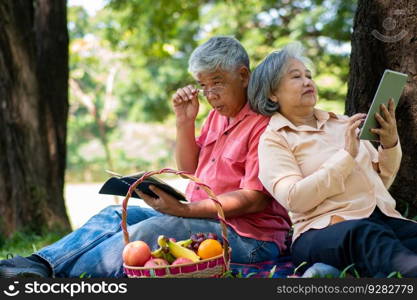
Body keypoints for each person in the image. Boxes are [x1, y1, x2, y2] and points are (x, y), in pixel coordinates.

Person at [0, 36, 291, 278]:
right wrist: (184, 122)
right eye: (203, 86)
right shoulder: (218, 117)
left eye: (217, 82)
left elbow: (255, 198)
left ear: (243, 75)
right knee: (114, 216)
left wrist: (183, 210)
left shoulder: (264, 124)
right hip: (207, 220)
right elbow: (189, 168)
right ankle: (38, 264)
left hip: (251, 239)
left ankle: (56, 280)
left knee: (150, 230)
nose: (210, 94)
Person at [247, 42, 417, 277]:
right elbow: (294, 198)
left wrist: (389, 143)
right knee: (364, 235)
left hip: (381, 219)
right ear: (272, 93)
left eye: (309, 76)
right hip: (321, 230)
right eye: (296, 77)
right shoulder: (274, 140)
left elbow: (381, 180)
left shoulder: (343, 122)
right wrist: (346, 156)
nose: (307, 81)